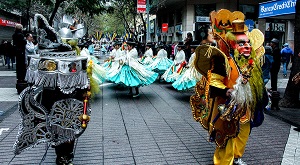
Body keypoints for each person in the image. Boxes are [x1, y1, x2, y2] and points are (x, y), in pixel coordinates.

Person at [190, 16, 267, 165]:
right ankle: (223, 162)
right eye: (241, 43)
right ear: (233, 45)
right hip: (227, 107)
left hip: (246, 109)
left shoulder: (253, 64)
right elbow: (214, 81)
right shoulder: (223, 61)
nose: (247, 46)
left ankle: (237, 157)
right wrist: (226, 91)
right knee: (226, 136)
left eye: (248, 43)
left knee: (243, 133)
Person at [12, 24, 27, 94]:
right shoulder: (20, 35)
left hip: (17, 52)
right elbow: (24, 42)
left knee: (18, 65)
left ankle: (19, 78)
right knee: (22, 65)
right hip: (21, 52)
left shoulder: (14, 35)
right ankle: (22, 78)